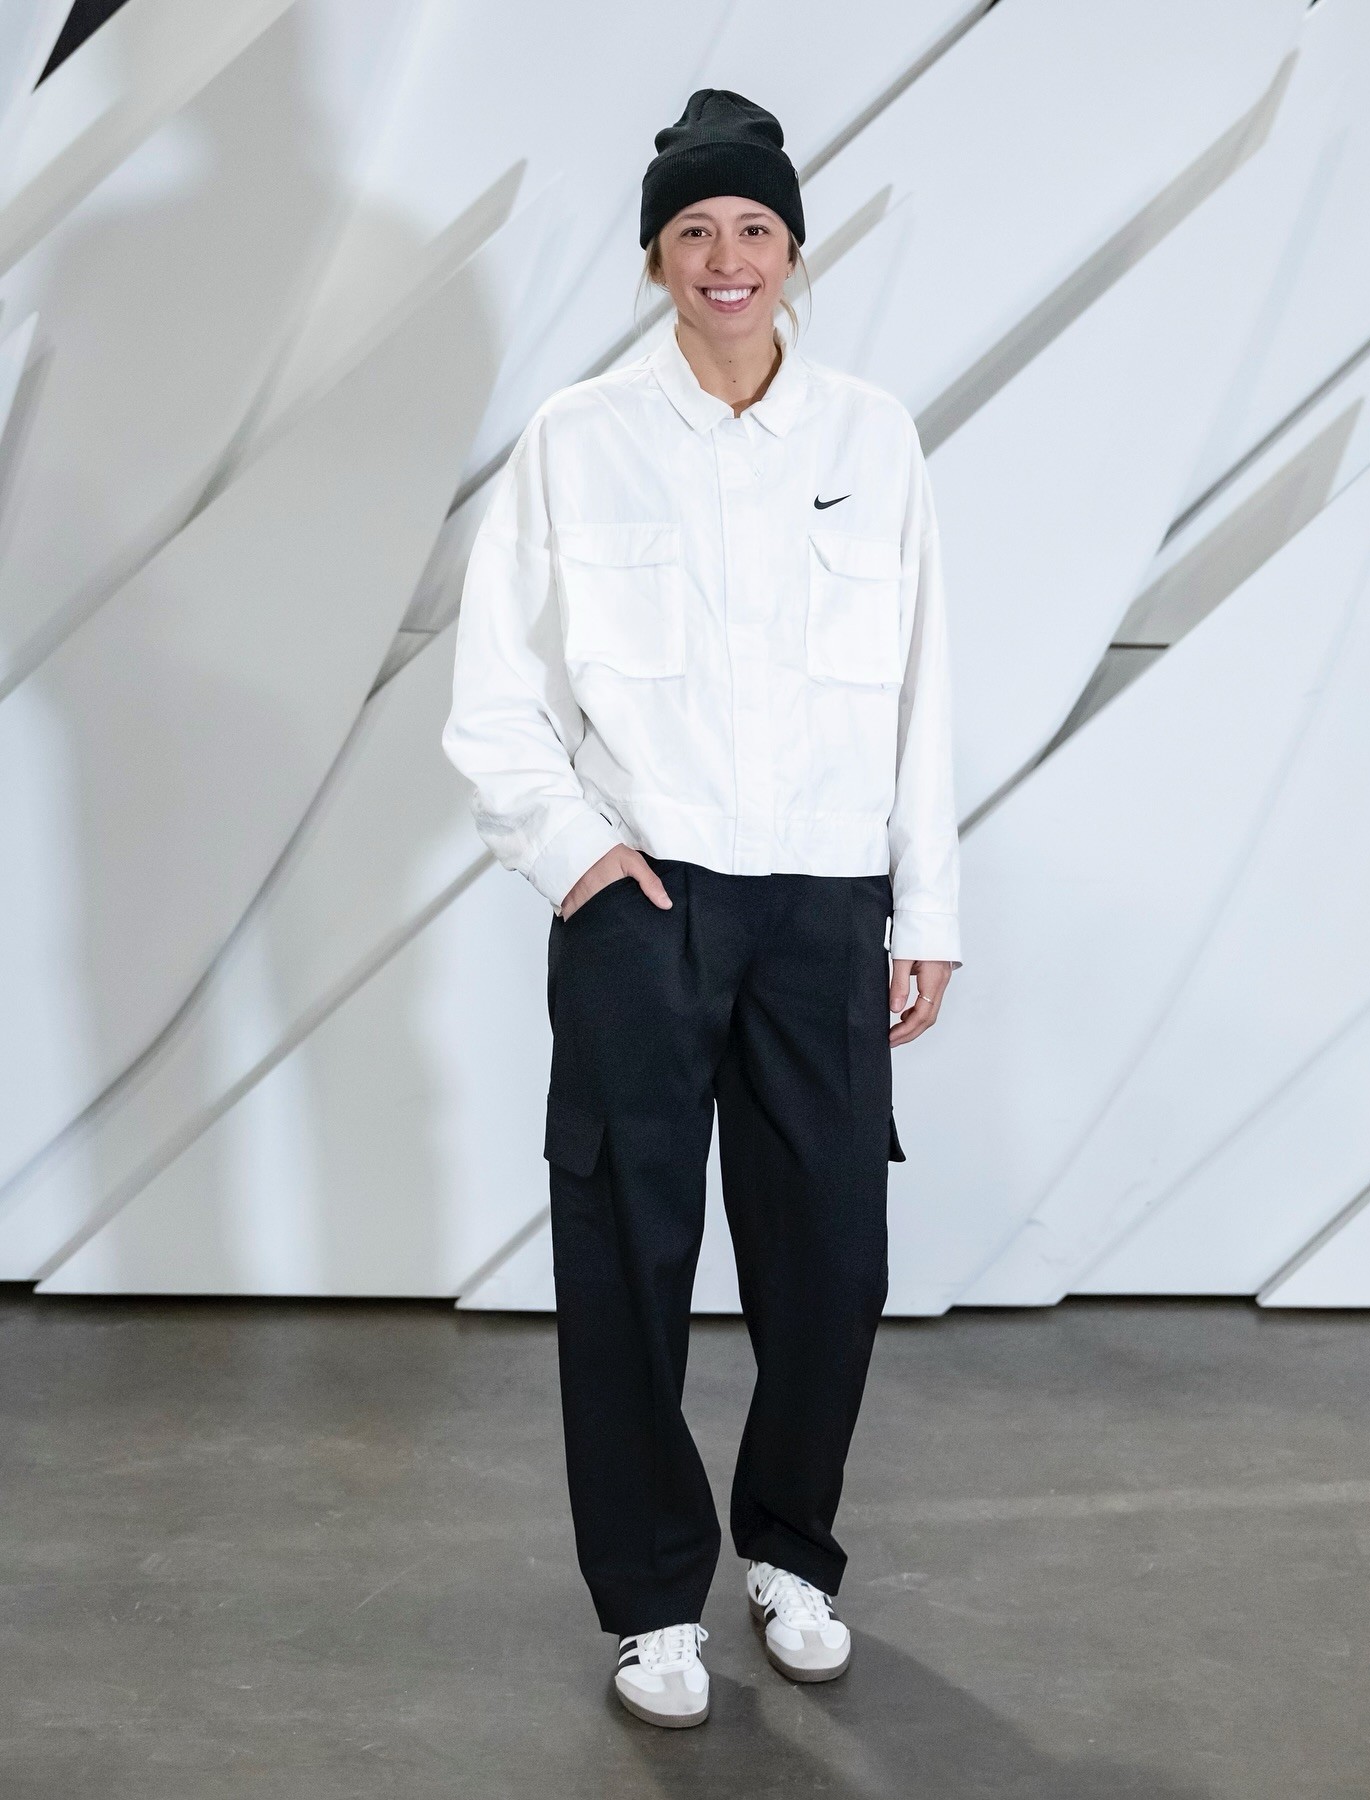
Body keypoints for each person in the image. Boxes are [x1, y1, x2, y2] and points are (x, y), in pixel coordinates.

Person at [441, 87, 961, 1729]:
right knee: (625, 1260)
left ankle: (790, 1551)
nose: (725, 257)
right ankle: (652, 1600)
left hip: (822, 907)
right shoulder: (578, 438)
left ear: (794, 251)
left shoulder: (871, 438)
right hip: (643, 900)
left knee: (833, 1257)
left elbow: (924, 688)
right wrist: (576, 858)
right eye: (692, 230)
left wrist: (925, 906)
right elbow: (494, 693)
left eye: (752, 227)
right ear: (657, 257)